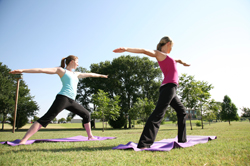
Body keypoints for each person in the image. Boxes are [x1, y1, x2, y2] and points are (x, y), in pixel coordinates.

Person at [9, 55, 108, 144]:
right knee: (46, 118)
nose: (78, 64)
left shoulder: (76, 74)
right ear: (72, 61)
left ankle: (90, 136)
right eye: (77, 61)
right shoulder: (61, 71)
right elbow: (41, 70)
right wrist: (22, 70)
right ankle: (24, 140)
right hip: (63, 98)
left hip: (71, 101)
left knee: (86, 114)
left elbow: (90, 74)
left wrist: (101, 76)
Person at [113, 36, 190, 149]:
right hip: (168, 87)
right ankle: (144, 143)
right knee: (158, 113)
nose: (171, 49)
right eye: (171, 47)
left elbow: (176, 60)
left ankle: (182, 140)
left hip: (171, 88)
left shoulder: (168, 57)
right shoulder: (158, 54)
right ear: (168, 44)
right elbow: (143, 51)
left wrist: (183, 62)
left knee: (182, 111)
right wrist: (126, 48)